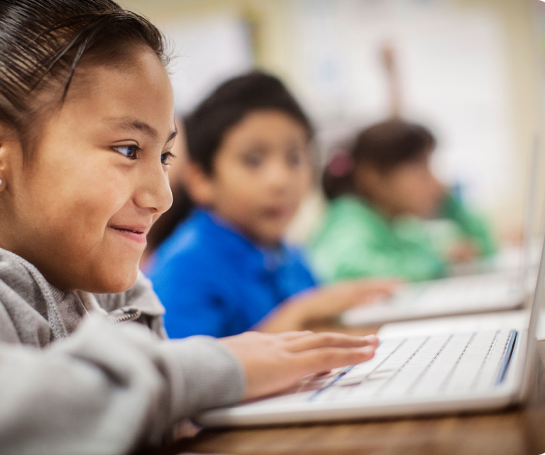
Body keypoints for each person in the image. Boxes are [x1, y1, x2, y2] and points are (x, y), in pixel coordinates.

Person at [0, 1, 381, 453]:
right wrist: (213, 367)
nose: (163, 197)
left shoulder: (124, 295)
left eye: (164, 156)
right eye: (129, 150)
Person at [146, 72, 397, 339]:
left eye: (294, 158)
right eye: (253, 161)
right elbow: (185, 375)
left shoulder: (291, 256)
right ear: (201, 179)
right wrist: (296, 316)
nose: (280, 180)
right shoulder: (184, 269)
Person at [308, 119, 496, 284]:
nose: (438, 183)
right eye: (420, 169)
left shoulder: (395, 225)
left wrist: (449, 202)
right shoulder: (349, 217)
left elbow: (483, 247)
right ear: (372, 176)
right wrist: (435, 263)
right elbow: (344, 271)